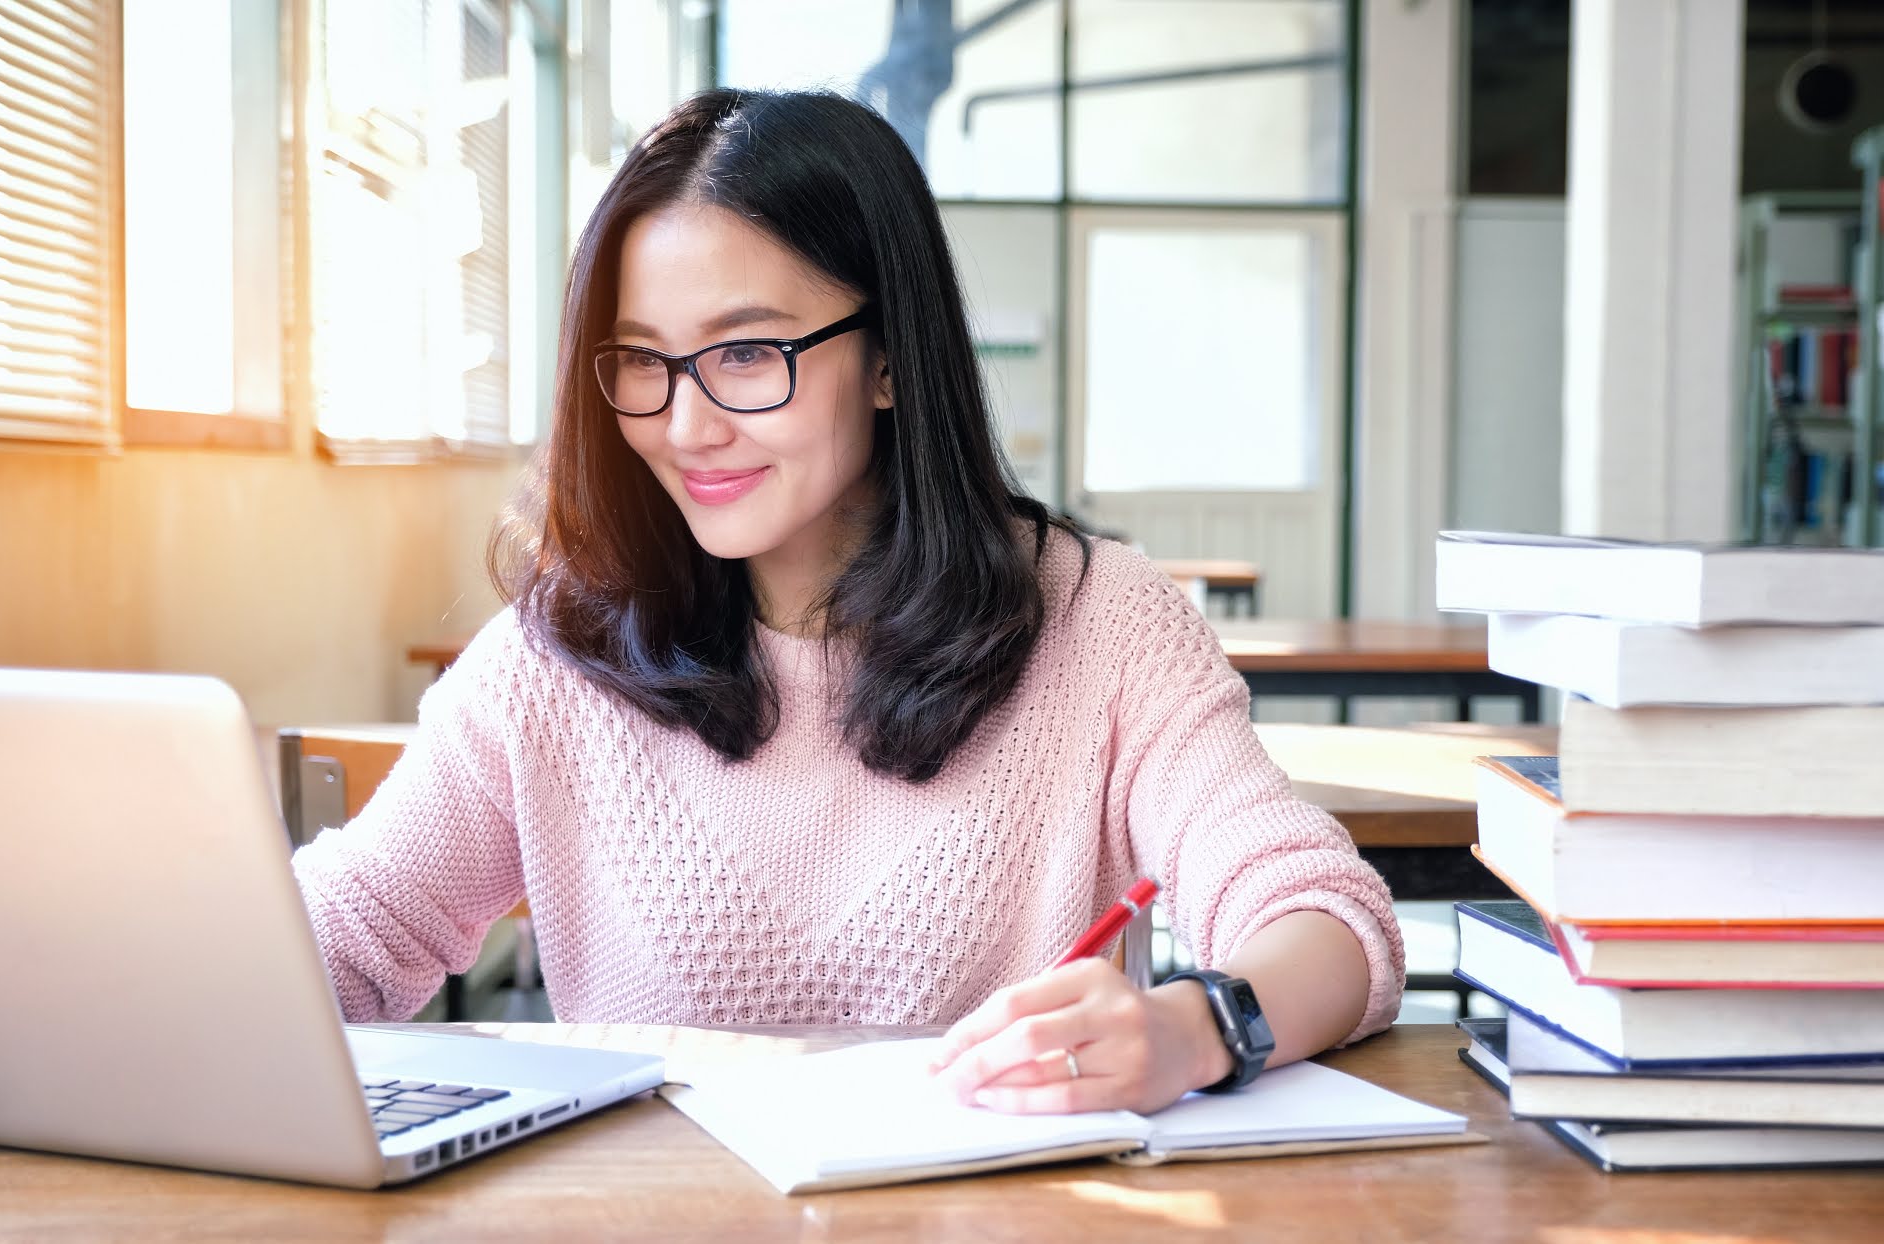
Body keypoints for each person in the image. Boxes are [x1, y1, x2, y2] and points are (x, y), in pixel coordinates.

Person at [292, 88, 1402, 1116]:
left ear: (886, 360)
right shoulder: (554, 656)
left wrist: (1198, 1023)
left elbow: (1321, 917)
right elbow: (344, 934)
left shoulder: (1098, 622)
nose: (684, 425)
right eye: (640, 361)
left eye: (743, 351)